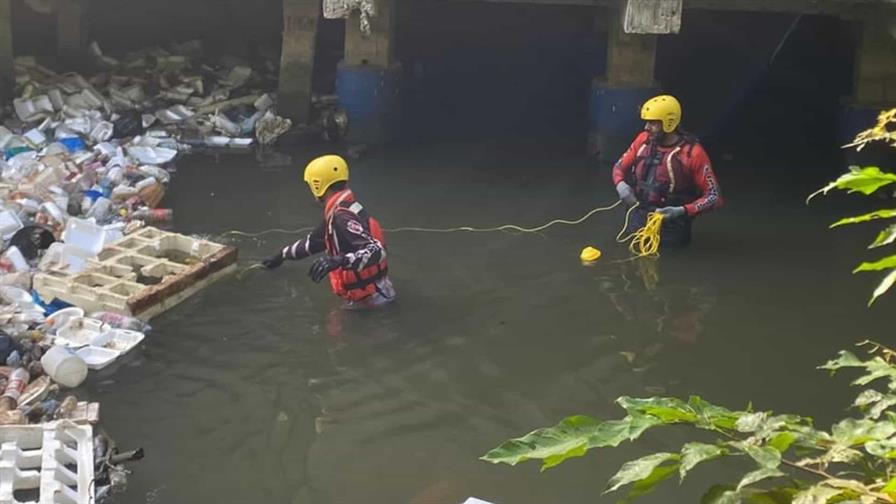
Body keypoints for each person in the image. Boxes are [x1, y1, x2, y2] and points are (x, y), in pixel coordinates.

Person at [262, 154, 395, 308]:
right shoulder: (344, 208)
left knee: (334, 328)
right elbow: (313, 242)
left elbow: (377, 251)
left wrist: (340, 260)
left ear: (318, 185)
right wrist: (282, 255)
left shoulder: (341, 217)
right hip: (373, 292)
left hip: (371, 299)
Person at [612, 95, 723, 247]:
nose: (646, 127)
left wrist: (682, 210)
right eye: (646, 122)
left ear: (668, 123)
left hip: (672, 225)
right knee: (632, 252)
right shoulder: (643, 140)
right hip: (638, 215)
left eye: (653, 123)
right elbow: (619, 166)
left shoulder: (692, 153)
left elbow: (714, 196)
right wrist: (620, 185)